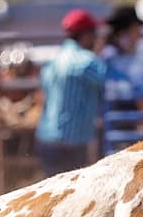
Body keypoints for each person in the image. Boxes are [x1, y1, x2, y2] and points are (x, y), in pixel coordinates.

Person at [35, 9, 108, 175]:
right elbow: (110, 82)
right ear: (86, 35)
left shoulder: (53, 60)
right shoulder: (87, 62)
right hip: (72, 144)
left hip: (46, 137)